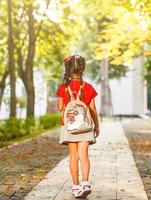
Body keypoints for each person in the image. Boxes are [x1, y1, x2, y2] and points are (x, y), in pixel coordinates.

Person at [56, 54, 100, 198]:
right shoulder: (88, 87)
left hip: (69, 126)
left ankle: (75, 187)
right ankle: (85, 183)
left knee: (73, 156)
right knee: (84, 156)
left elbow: (60, 107)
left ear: (68, 69)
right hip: (86, 126)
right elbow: (93, 109)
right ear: (82, 68)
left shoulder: (63, 87)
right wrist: (97, 126)